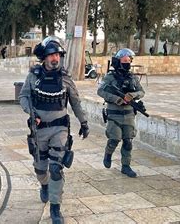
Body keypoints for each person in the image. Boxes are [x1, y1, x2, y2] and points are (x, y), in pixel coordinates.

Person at [19, 37, 89, 223]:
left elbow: (75, 101)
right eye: (51, 55)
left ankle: (55, 208)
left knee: (56, 168)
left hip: (60, 129)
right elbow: (23, 97)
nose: (55, 58)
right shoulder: (33, 76)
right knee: (41, 169)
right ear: (44, 57)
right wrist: (31, 113)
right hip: (39, 130)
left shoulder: (65, 77)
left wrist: (84, 122)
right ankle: (44, 185)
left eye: (57, 54)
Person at [97, 48, 145, 178]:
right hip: (114, 113)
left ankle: (126, 166)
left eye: (129, 61)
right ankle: (108, 154)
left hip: (129, 113)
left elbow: (142, 92)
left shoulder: (132, 77)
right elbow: (100, 91)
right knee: (114, 138)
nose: (127, 63)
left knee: (128, 141)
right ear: (118, 62)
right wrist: (116, 99)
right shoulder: (110, 77)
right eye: (124, 61)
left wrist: (132, 95)